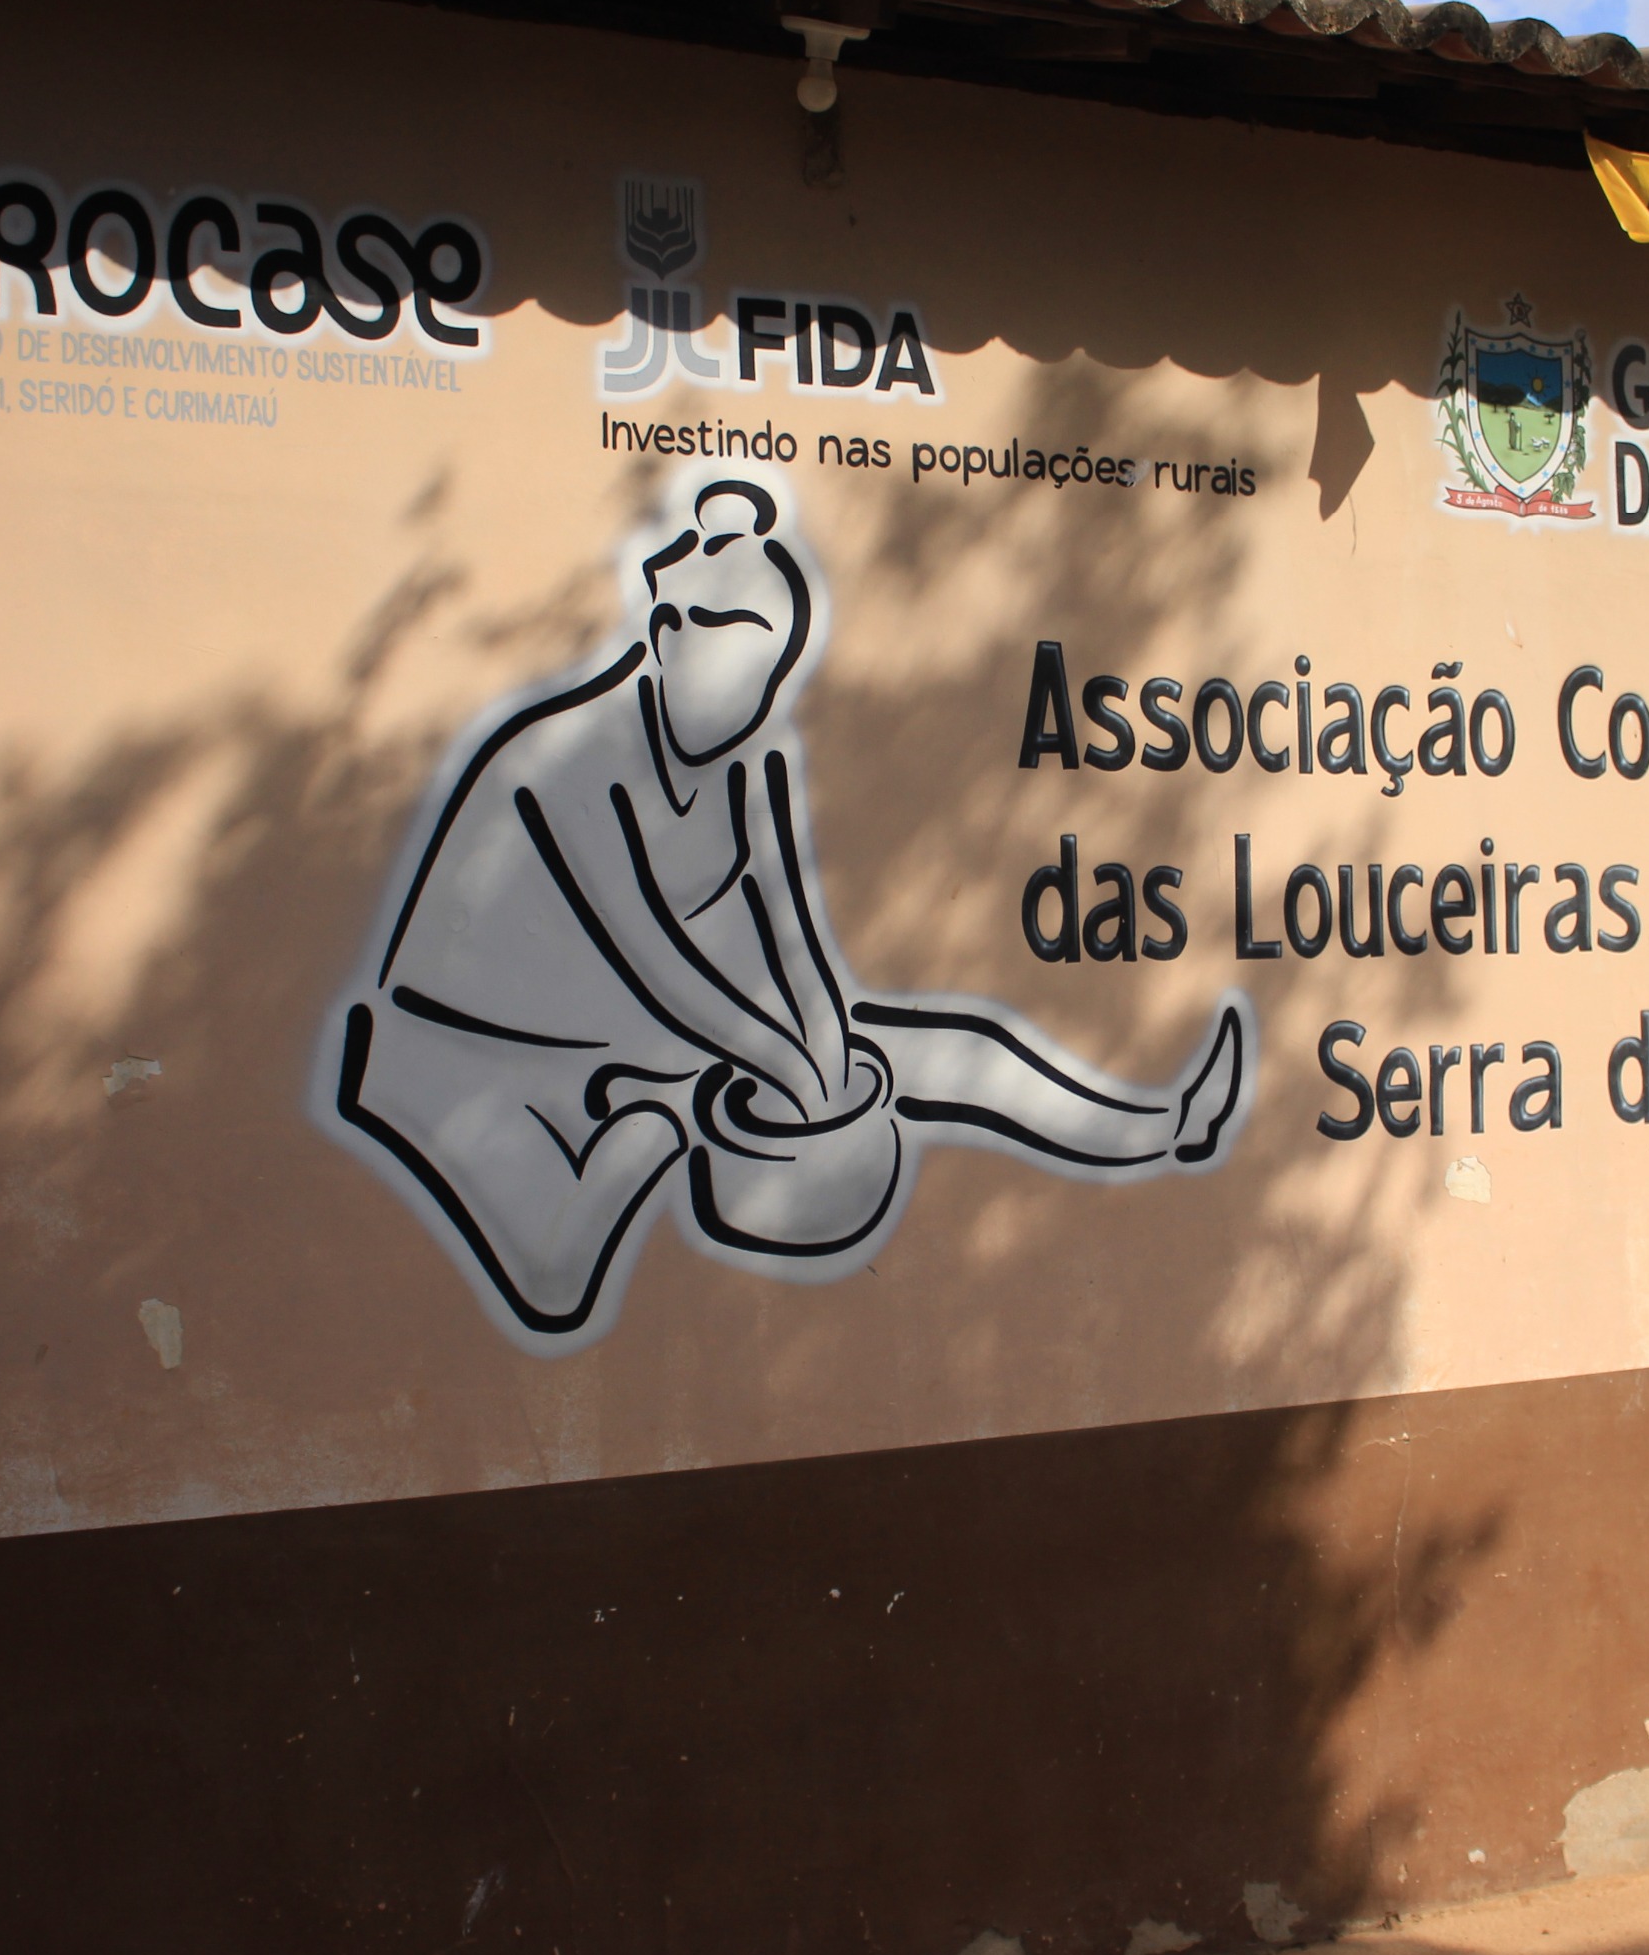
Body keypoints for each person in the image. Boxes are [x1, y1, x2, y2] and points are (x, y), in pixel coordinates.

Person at [319, 472, 1253, 1354]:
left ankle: (1158, 1125)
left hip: (649, 1036)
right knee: (560, 1272)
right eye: (737, 674)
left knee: (943, 1044)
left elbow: (792, 933)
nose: (754, 708)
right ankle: (636, 1145)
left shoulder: (756, 748)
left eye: (770, 680)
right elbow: (654, 958)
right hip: (472, 1052)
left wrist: (832, 1065)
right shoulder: (561, 756)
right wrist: (794, 1072)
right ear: (669, 633)